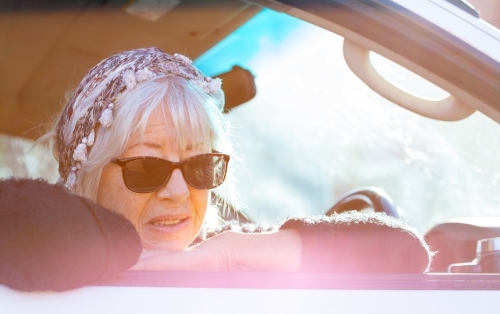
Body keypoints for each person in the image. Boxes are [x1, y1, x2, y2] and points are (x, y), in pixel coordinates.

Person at [30, 48, 431, 276]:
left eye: (201, 166)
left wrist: (228, 253)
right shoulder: (50, 259)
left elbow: (405, 251)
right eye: (147, 167)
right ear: (89, 175)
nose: (177, 192)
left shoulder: (228, 247)